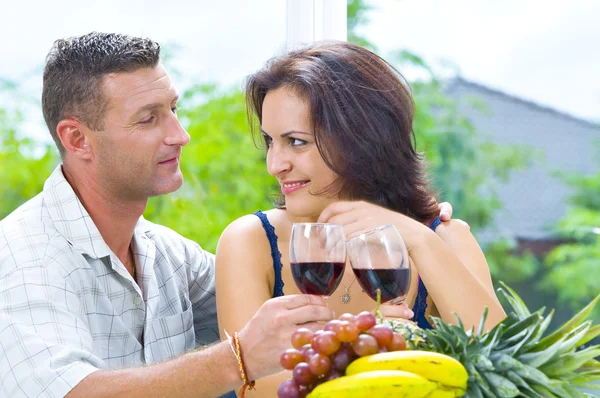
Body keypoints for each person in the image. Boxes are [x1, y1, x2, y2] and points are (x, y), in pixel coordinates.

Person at [0, 32, 338, 398]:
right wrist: (236, 360)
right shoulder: (20, 258)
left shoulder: (169, 255)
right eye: (148, 119)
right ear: (77, 139)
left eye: (173, 110)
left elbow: (274, 306)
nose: (180, 135)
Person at [215, 41, 507, 396]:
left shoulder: (443, 238)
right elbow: (262, 391)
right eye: (270, 141)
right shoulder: (251, 242)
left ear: (361, 139)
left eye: (296, 141)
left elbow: (501, 367)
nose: (275, 164)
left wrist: (419, 240)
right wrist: (361, 344)